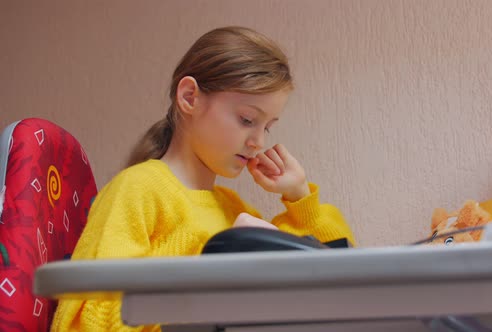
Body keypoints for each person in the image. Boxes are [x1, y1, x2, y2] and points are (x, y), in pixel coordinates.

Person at [51, 26, 355, 331]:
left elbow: (342, 285)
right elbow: (85, 320)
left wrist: (300, 199)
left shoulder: (234, 211)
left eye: (268, 127)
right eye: (247, 120)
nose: (258, 142)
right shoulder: (138, 190)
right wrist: (207, 270)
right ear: (189, 97)